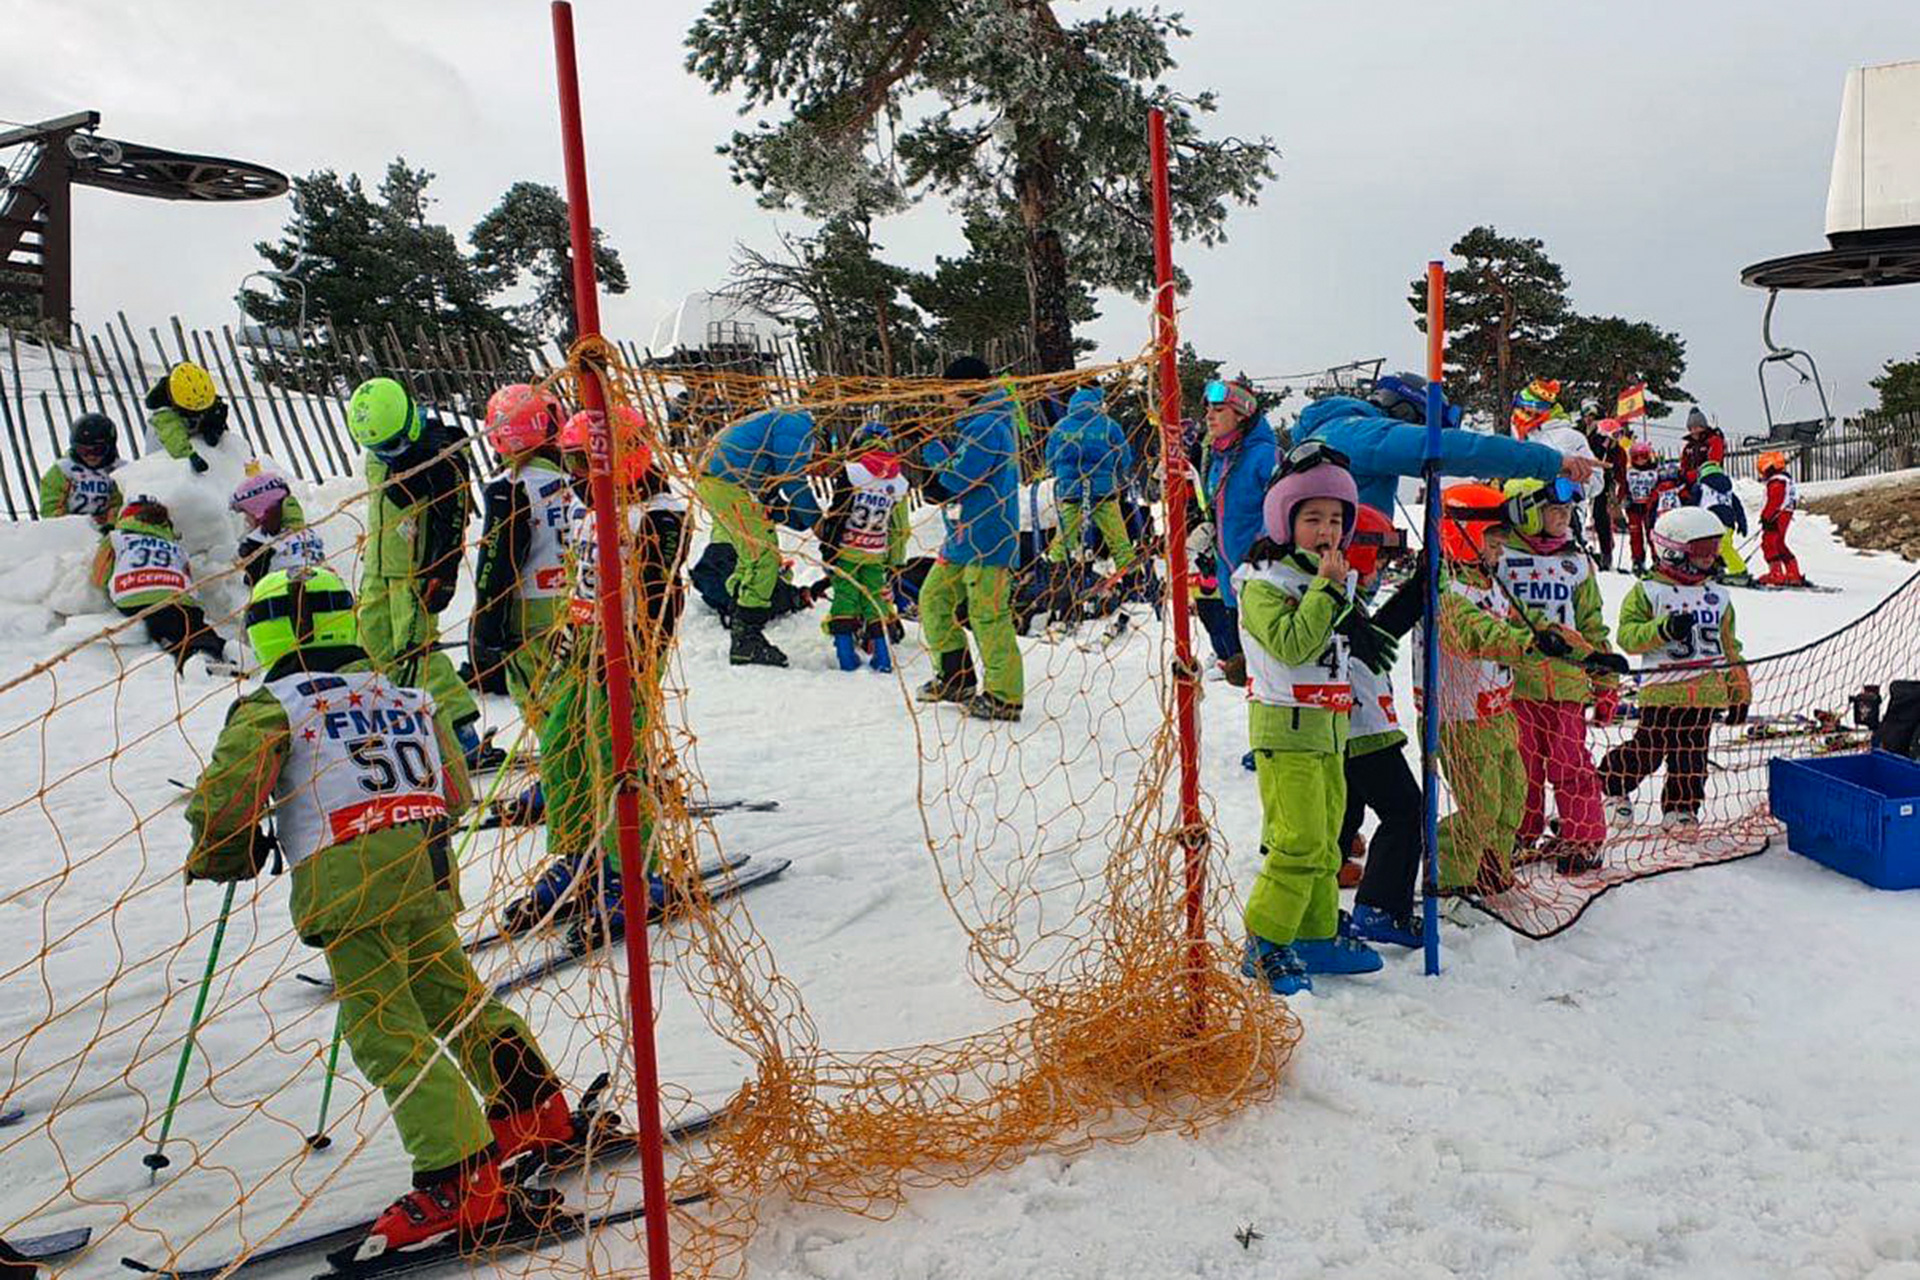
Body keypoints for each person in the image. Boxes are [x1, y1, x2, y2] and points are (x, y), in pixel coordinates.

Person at [183, 568, 571, 1256]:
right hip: (424, 866)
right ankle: (534, 1107)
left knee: (386, 1029)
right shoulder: (407, 695)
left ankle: (460, 1177)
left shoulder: (273, 704)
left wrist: (222, 852)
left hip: (349, 880)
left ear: (269, 630)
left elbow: (226, 797)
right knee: (454, 995)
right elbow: (452, 786)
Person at [501, 414, 680, 944]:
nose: (575, 475)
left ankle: (633, 875)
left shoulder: (659, 514)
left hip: (627, 651)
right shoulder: (588, 509)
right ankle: (583, 858)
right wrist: (567, 635)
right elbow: (582, 581)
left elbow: (660, 598)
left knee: (615, 757)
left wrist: (635, 654)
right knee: (560, 745)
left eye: (584, 462)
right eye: (571, 462)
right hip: (582, 642)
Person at [1236, 446, 1390, 996]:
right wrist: (1327, 589)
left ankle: (1314, 932)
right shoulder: (1264, 581)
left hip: (1329, 728)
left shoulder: (1331, 577)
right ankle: (1265, 938)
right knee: (1297, 841)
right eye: (1311, 519)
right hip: (1287, 728)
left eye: (1334, 519)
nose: (1325, 531)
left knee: (1328, 842)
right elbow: (1294, 644)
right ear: (1285, 521)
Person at [1420, 484, 1557, 898]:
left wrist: (1564, 644)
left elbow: (1515, 624)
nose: (1499, 554)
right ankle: (1448, 876)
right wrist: (1526, 642)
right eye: (1492, 544)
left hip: (1498, 712)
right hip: (1460, 719)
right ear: (1458, 538)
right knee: (1480, 807)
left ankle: (1489, 865)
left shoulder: (1491, 585)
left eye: (1500, 546)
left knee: (1513, 797)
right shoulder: (1444, 592)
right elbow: (1478, 635)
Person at [345, 377, 487, 768]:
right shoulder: (379, 455)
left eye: (393, 446)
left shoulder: (439, 456)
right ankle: (392, 726)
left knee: (416, 651)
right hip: (378, 568)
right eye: (377, 449)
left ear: (409, 424)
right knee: (371, 648)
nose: (387, 455)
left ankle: (462, 734)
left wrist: (443, 571)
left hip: (415, 572)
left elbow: (453, 518)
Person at [1601, 507, 1752, 831]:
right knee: (1650, 749)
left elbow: (1729, 647)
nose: (1711, 557)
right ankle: (1611, 787)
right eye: (1702, 552)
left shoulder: (1718, 595)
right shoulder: (1648, 591)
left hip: (1705, 694)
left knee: (1691, 757)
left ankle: (1681, 807)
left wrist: (1739, 688)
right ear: (1674, 551)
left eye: (1715, 549)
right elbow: (1628, 636)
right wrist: (1663, 630)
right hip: (1664, 690)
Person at [1497, 477, 1620, 873]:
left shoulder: (1576, 561)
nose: (1564, 516)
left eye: (1568, 510)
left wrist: (1605, 682)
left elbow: (1592, 624)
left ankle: (1583, 838)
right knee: (1521, 766)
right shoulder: (1499, 556)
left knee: (1572, 763)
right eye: (1554, 509)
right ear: (1525, 511)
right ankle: (1519, 831)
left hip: (1567, 683)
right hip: (1517, 684)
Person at [1292, 371, 1597, 518]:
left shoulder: (1338, 431)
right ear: (1406, 411)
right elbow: (1454, 449)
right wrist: (1554, 462)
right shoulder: (1362, 435)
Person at [1334, 505, 1427, 948]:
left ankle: (1322, 879)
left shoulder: (1340, 596)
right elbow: (1378, 636)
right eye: (1380, 563)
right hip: (1362, 727)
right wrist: (1419, 588)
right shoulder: (1335, 598)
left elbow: (1382, 631)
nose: (1379, 573)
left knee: (1345, 809)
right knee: (1405, 810)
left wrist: (1419, 587)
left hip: (1347, 728)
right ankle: (1380, 907)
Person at [917, 356, 1025, 721]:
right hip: (962, 536)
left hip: (988, 536)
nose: (944, 394)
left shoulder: (988, 425)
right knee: (934, 599)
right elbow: (956, 468)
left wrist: (933, 472)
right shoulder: (974, 425)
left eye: (948, 387)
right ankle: (956, 676)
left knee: (988, 614)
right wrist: (929, 443)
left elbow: (959, 477)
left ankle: (1005, 695)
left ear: (967, 387)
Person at [470, 384, 581, 728]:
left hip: (531, 613)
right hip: (580, 603)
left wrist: (487, 627)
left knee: (542, 705)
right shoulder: (579, 482)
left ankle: (564, 778)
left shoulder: (510, 488)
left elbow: (496, 563)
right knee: (577, 697)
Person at [697, 404, 821, 667]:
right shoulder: (797, 424)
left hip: (721, 484)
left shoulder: (773, 428)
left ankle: (741, 621)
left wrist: (798, 519)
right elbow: (792, 478)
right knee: (763, 555)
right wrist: (817, 521)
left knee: (751, 556)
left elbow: (769, 492)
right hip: (726, 485)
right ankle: (746, 639)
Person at [90, 494, 232, 671]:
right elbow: (186, 573)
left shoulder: (116, 538)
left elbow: (99, 576)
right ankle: (213, 652)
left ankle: (188, 658)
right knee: (193, 622)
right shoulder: (175, 545)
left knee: (164, 627)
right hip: (177, 594)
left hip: (133, 594)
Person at [1199, 379, 1277, 688]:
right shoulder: (1218, 459)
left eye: (1219, 409)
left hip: (1261, 581)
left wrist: (1262, 550)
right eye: (1208, 409)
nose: (1209, 416)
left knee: (1266, 678)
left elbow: (1278, 512)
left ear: (1242, 414)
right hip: (1230, 582)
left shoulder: (1265, 455)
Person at [817, 421, 910, 672]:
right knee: (876, 601)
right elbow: (899, 527)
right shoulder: (899, 482)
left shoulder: (853, 472)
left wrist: (828, 549)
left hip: (847, 548)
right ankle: (883, 658)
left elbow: (838, 513)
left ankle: (846, 658)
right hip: (875, 552)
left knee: (845, 599)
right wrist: (894, 559)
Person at [1043, 386, 1137, 576]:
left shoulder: (1061, 426)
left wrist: (1058, 473)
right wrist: (1118, 473)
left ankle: (1056, 572)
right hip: (1104, 490)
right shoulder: (1108, 425)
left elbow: (1050, 457)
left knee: (1065, 534)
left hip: (1071, 490)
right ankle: (1129, 574)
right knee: (1117, 537)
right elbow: (1124, 455)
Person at [230, 472, 326, 586]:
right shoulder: (308, 533)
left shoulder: (259, 540)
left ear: (258, 512)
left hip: (287, 598)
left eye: (246, 513)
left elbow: (252, 582)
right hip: (329, 591)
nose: (245, 520)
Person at [143, 361, 229, 474]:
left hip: (196, 436)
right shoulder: (162, 409)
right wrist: (190, 455)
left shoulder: (201, 391)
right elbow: (171, 433)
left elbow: (217, 411)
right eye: (194, 409)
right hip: (166, 446)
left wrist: (214, 427)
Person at [39, 412, 123, 526]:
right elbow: (50, 505)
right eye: (83, 451)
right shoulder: (63, 470)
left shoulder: (119, 472)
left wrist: (110, 523)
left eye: (98, 450)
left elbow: (121, 503)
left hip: (107, 530)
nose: (91, 456)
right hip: (70, 530)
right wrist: (67, 525)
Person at [1688, 460, 1750, 585]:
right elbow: (1738, 507)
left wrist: (1689, 518)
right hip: (1729, 521)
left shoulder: (1700, 487)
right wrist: (1742, 523)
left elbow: (1693, 504)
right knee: (1721, 546)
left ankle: (1739, 571)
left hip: (1710, 520)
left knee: (1719, 547)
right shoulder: (1728, 490)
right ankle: (1716, 568)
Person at [1584, 417, 1630, 570]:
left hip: (1604, 486)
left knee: (1601, 516)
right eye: (1615, 435)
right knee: (1580, 514)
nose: (1618, 439)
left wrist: (1621, 494)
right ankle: (1581, 546)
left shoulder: (1619, 452)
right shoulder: (1592, 445)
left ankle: (1606, 554)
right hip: (1584, 482)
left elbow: (1621, 474)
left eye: (1620, 435)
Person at [1755, 451, 1805, 586]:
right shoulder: (1785, 479)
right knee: (1779, 543)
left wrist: (1766, 517)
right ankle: (1793, 573)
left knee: (1768, 542)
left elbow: (1775, 500)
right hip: (1785, 513)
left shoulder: (1777, 481)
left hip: (1776, 514)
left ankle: (1776, 573)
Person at [1622, 441, 1660, 574]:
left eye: (1643, 456)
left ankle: (1657, 559)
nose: (1640, 460)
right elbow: (1624, 487)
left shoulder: (1654, 471)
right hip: (1634, 507)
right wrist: (1624, 498)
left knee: (1652, 535)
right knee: (1635, 535)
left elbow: (1659, 488)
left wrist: (1654, 499)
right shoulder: (1630, 472)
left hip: (1650, 508)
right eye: (1636, 457)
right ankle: (1637, 560)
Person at [1678, 406, 1726, 481]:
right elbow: (1683, 465)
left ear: (1703, 427)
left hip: (1710, 480)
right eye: (1691, 429)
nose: (1693, 431)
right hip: (1690, 481)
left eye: (1696, 427)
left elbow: (1713, 465)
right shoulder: (1688, 447)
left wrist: (1691, 475)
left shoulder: (1714, 441)